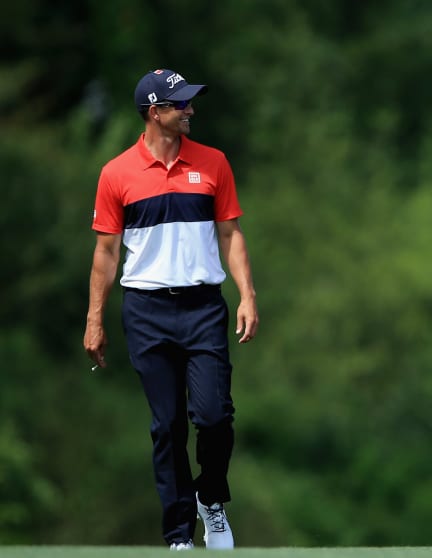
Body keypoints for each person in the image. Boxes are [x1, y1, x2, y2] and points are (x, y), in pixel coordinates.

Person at [83, 68, 259, 551]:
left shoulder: (214, 163)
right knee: (167, 426)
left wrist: (247, 295)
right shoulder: (116, 173)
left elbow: (231, 233)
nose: (190, 110)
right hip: (146, 311)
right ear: (154, 112)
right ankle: (179, 534)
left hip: (203, 307)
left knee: (214, 416)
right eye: (180, 104)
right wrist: (95, 319)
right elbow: (106, 253)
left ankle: (211, 498)